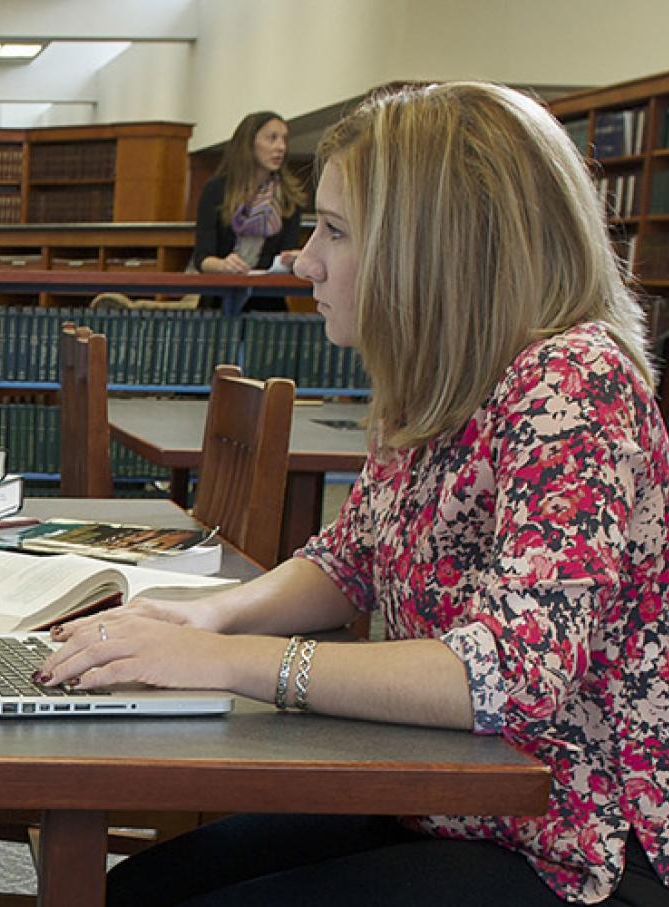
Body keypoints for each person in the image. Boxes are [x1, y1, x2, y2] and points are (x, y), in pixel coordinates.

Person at [45, 82, 669, 906]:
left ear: (437, 247)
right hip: (446, 800)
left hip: (573, 846)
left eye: (335, 231)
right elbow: (349, 559)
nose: (305, 259)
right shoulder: (433, 382)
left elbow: (512, 670)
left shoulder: (575, 382)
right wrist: (209, 616)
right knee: (138, 890)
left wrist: (228, 660)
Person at [192, 111, 307, 314]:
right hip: (219, 303)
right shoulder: (217, 190)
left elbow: (286, 253)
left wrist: (293, 259)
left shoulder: (289, 197)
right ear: (249, 143)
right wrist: (223, 265)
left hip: (268, 306)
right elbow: (202, 258)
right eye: (272, 138)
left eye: (284, 140)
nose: (281, 147)